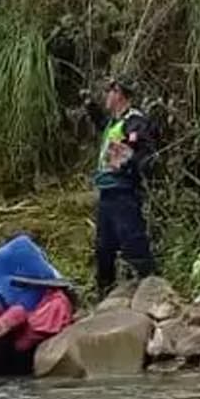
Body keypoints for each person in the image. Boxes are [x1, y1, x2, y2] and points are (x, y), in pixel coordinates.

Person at [86, 78, 158, 291]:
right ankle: (104, 292)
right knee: (103, 246)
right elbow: (102, 124)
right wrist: (90, 106)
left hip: (124, 190)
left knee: (132, 239)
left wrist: (127, 160)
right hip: (107, 191)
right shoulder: (113, 123)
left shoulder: (135, 121)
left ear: (119, 93)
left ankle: (152, 287)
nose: (106, 96)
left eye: (109, 91)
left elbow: (145, 151)